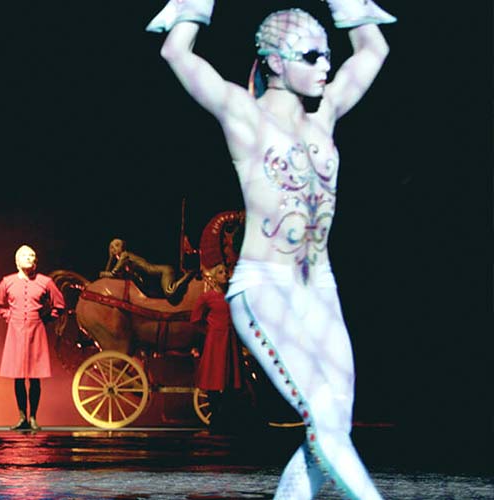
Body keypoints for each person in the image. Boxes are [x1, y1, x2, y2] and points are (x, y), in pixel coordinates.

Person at [147, 1, 394, 498]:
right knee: (325, 420)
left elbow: (374, 47)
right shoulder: (243, 114)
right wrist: (195, 5)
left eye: (328, 54)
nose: (327, 64)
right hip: (265, 288)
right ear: (277, 63)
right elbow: (176, 50)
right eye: (312, 54)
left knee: (333, 427)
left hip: (321, 289)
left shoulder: (325, 116)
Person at [0, 245, 65, 431]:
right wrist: (9, 317)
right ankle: (22, 417)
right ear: (17, 261)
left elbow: (59, 305)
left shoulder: (45, 282)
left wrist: (46, 319)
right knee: (18, 377)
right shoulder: (7, 282)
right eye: (24, 255)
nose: (28, 258)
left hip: (36, 331)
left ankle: (33, 417)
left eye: (32, 255)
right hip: (15, 332)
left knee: (34, 377)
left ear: (36, 261)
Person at [190, 263, 242, 431]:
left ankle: (226, 417)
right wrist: (210, 331)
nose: (224, 275)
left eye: (226, 272)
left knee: (230, 379)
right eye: (220, 272)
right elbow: (196, 318)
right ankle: (215, 417)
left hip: (231, 340)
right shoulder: (207, 297)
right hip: (215, 340)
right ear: (214, 276)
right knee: (214, 378)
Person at [100, 238, 194, 298]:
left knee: (170, 292)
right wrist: (111, 258)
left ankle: (189, 274)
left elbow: (113, 273)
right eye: (111, 247)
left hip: (164, 271)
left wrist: (102, 273)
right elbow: (109, 275)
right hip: (154, 279)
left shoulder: (125, 256)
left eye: (116, 245)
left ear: (122, 247)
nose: (113, 249)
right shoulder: (124, 258)